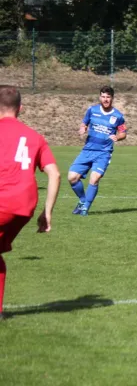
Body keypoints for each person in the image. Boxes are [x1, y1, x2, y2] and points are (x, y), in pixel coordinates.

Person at [0, 85, 61, 320]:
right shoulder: (35, 137)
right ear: (20, 109)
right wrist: (47, 213)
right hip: (23, 208)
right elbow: (54, 174)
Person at [68, 86, 127, 216]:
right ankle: (83, 201)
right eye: (103, 96)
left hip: (103, 153)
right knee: (72, 177)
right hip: (88, 150)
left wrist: (117, 137)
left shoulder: (118, 116)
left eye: (108, 97)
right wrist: (83, 128)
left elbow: (123, 133)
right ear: (100, 97)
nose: (105, 99)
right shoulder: (92, 110)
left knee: (94, 179)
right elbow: (84, 123)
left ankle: (85, 209)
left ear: (112, 98)